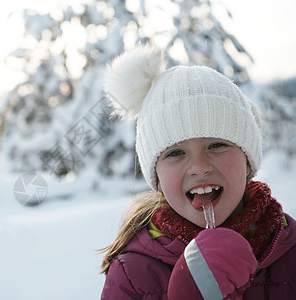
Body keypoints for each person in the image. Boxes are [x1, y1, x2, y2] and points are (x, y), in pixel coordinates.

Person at [100, 44, 296, 299]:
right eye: (175, 153)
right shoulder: (134, 275)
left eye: (217, 145)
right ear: (156, 176)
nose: (200, 167)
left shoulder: (288, 251)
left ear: (248, 160)